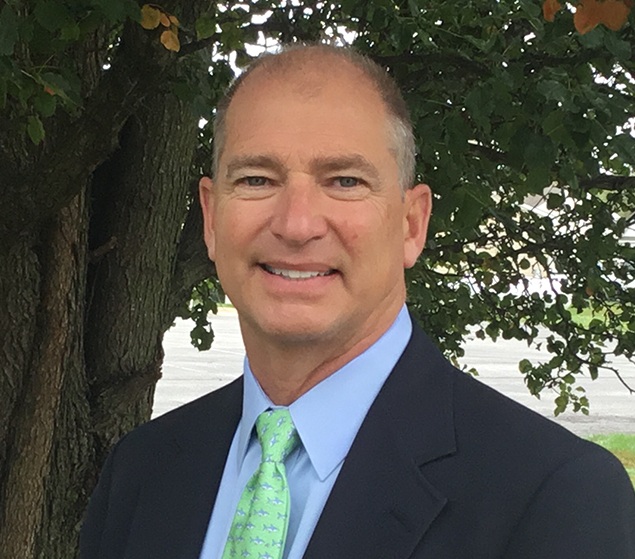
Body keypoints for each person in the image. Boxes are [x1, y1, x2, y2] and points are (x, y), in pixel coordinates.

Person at [80, 44, 635, 559]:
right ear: (210, 217)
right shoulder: (142, 468)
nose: (296, 225)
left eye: (344, 181)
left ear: (412, 224)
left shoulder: (557, 497)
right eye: (256, 179)